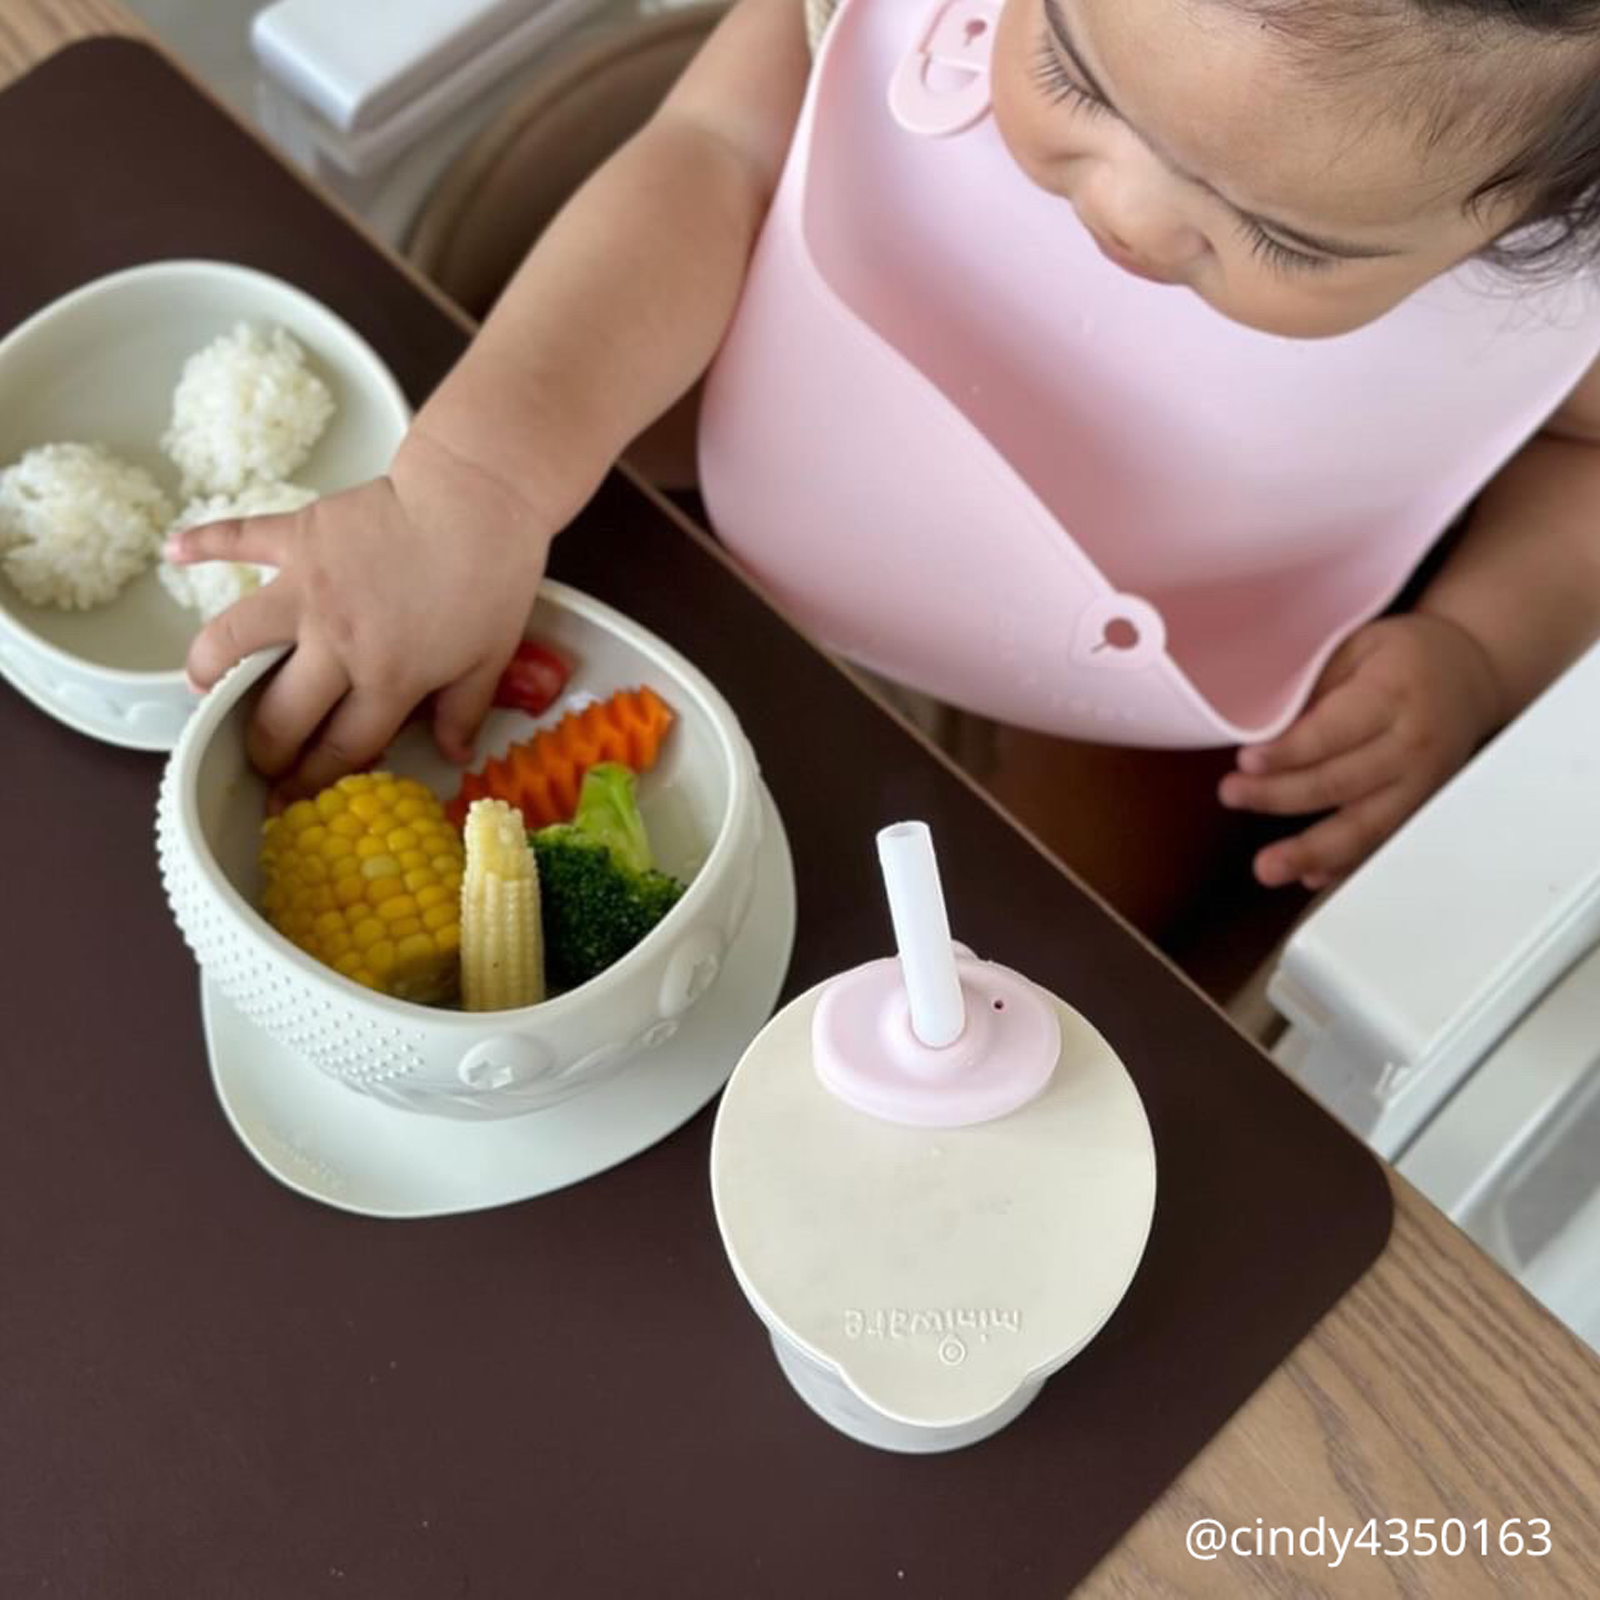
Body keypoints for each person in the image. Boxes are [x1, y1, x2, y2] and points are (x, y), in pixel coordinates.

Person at [167, 0, 1600, 929]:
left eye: (1286, 236)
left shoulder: (1561, 304)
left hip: (1125, 672)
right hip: (749, 429)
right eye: (1072, 74)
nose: (1129, 211)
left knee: (1066, 933)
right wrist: (476, 484)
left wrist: (1479, 646)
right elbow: (712, 153)